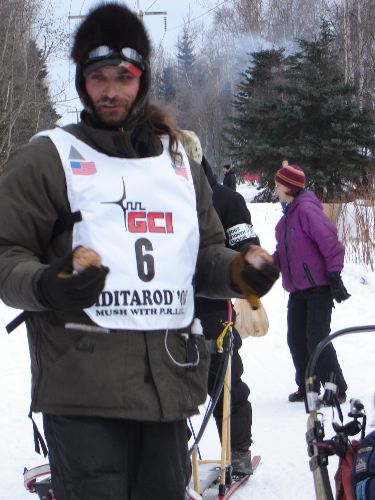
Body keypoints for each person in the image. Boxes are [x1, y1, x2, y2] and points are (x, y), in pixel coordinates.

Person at [0, 4, 279, 500]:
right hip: (82, 390)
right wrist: (47, 284)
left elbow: (204, 253)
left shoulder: (177, 164)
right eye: (98, 77)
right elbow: (6, 254)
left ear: (142, 78)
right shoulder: (49, 158)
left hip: (167, 389)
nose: (110, 90)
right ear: (82, 82)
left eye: (123, 76)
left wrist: (239, 273)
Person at [179, 130, 260, 476]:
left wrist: (248, 266)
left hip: (214, 306)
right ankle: (174, 454)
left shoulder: (225, 200)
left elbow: (246, 244)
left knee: (225, 380)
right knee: (167, 384)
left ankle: (238, 448)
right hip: (168, 307)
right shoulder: (162, 198)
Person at [273, 164, 350, 404]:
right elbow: (284, 253)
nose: (275, 189)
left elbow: (330, 242)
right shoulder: (287, 218)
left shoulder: (306, 210)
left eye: (277, 184)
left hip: (318, 286)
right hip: (298, 289)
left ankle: (336, 387)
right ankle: (308, 386)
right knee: (295, 338)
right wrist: (265, 263)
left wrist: (335, 275)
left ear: (289, 187)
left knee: (317, 337)